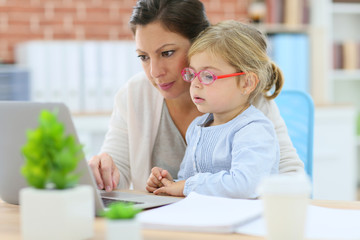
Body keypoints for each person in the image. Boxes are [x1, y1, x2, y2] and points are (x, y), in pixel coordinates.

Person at [88, 0, 304, 193]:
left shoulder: (243, 95)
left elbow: (290, 176)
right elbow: (119, 175)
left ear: (200, 44)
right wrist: (105, 171)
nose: (154, 72)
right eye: (143, 57)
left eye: (167, 53)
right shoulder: (135, 94)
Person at [146, 20, 280, 198]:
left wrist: (187, 185)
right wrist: (171, 183)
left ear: (247, 83)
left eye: (208, 75)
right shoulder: (197, 127)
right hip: (207, 219)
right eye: (192, 74)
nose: (195, 84)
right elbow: (190, 181)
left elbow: (245, 185)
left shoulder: (254, 130)